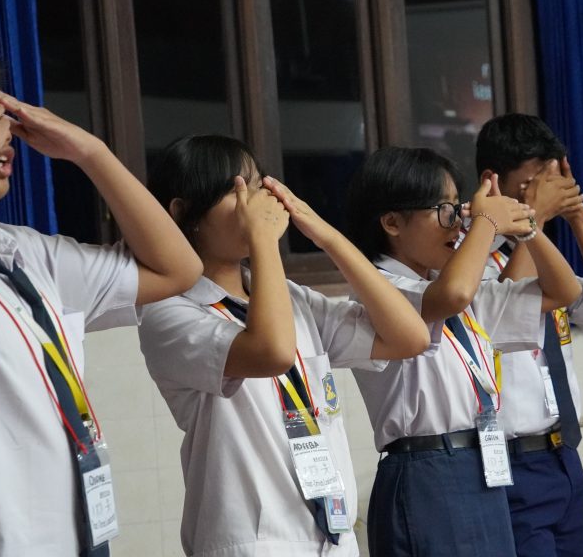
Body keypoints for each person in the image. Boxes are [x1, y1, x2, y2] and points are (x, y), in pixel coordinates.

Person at [0, 31, 202, 556]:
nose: (1, 135)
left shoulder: (24, 250)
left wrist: (91, 152)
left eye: (1, 118)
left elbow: (177, 269)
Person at [137, 135, 431, 557]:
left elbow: (410, 337)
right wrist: (263, 241)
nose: (256, 203)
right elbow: (271, 352)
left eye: (259, 186)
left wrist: (328, 237)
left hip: (333, 536)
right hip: (255, 540)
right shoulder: (169, 313)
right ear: (183, 212)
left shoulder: (289, 297)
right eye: (237, 190)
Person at [345, 146, 582, 557]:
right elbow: (451, 294)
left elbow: (564, 290)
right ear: (392, 222)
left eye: (459, 208)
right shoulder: (379, 287)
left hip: (482, 460)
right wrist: (487, 224)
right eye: (443, 210)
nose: (457, 223)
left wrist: (528, 226)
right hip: (425, 468)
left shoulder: (459, 289)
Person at [473, 113, 583, 557]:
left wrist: (577, 213)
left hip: (563, 454)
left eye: (551, 184)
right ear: (491, 182)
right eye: (530, 185)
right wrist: (536, 218)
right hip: (508, 459)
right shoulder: (471, 259)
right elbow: (501, 310)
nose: (542, 196)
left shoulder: (543, 256)